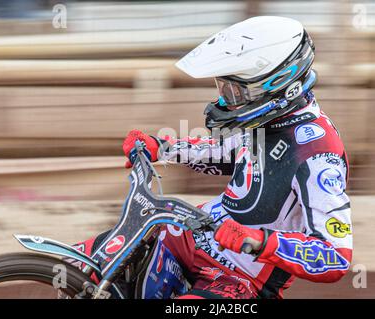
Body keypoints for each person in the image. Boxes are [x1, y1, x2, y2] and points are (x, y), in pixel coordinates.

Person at [73, 16, 353, 299]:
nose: (224, 101)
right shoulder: (269, 121)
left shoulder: (319, 155)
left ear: (279, 84)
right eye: (223, 89)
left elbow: (335, 257)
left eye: (234, 91)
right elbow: (225, 152)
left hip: (239, 279)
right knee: (81, 263)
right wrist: (162, 147)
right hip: (184, 236)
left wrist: (259, 241)